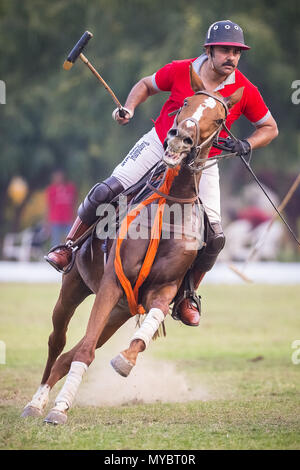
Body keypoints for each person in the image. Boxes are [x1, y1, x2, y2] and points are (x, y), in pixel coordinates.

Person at [45, 20, 278, 326]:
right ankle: (69, 246)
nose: (231, 57)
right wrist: (128, 108)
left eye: (236, 51)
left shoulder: (244, 90)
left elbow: (270, 127)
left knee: (216, 237)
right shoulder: (181, 70)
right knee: (106, 191)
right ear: (209, 50)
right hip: (161, 143)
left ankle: (187, 296)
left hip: (202, 164)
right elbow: (145, 85)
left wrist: (246, 143)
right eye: (225, 50)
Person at [45, 170, 77, 247]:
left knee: (71, 242)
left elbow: (74, 204)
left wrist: (75, 219)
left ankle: (69, 257)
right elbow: (48, 207)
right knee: (55, 243)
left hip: (68, 220)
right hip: (55, 221)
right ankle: (55, 258)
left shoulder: (71, 188)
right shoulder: (51, 189)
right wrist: (47, 223)